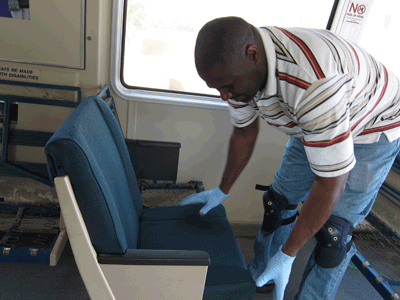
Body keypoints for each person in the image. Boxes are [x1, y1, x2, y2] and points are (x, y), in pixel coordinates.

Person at [180, 16, 400, 300]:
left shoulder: (314, 84)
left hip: (373, 125)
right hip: (310, 120)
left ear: (253, 55)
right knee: (278, 202)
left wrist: (288, 254)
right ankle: (262, 274)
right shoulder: (237, 72)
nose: (225, 96)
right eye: (217, 88)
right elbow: (245, 133)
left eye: (227, 86)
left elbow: (331, 181)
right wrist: (222, 190)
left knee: (334, 232)